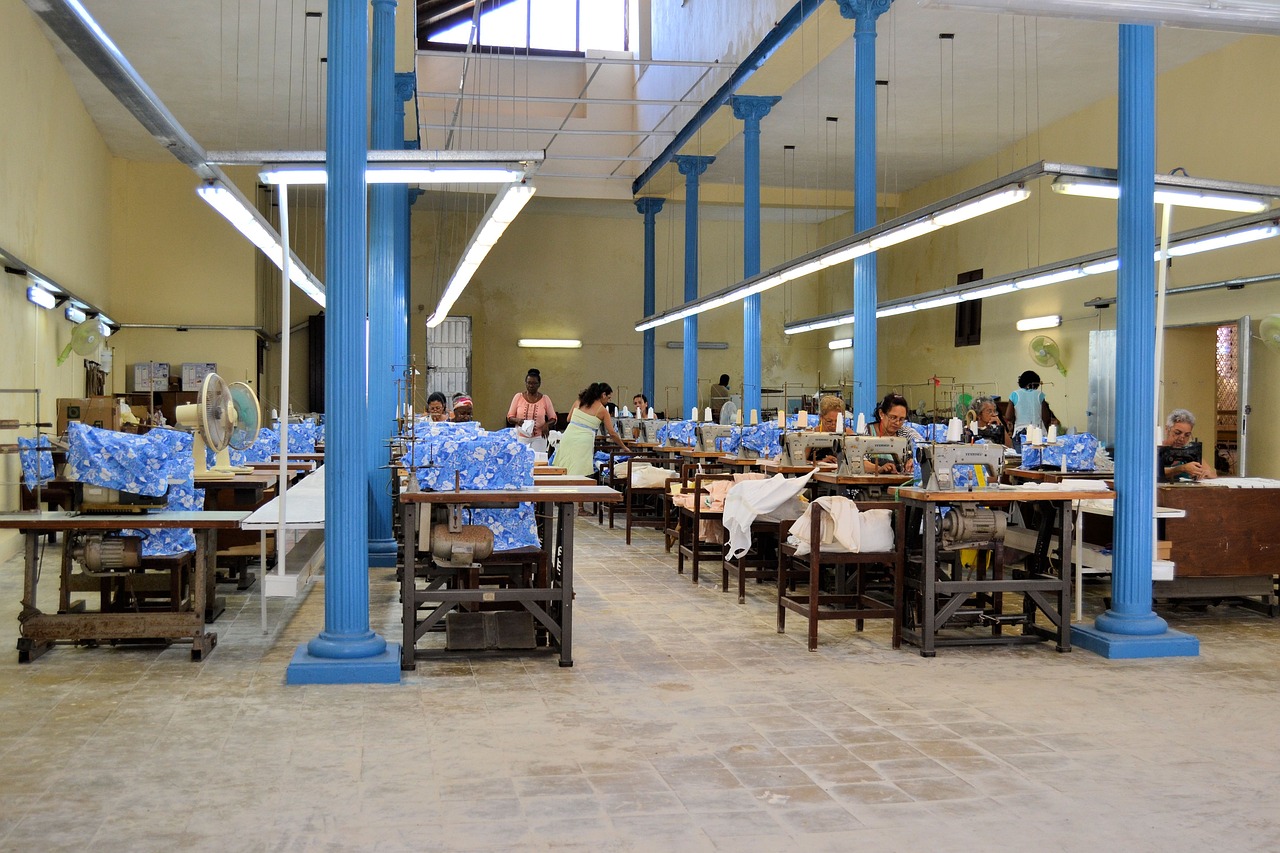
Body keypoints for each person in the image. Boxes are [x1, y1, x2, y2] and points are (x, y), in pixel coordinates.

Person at [551, 381, 629, 476]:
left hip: (568, 437)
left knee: (564, 468)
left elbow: (568, 419)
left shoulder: (579, 402)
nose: (608, 401)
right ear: (603, 395)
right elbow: (612, 433)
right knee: (578, 471)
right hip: (583, 442)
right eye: (608, 398)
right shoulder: (603, 411)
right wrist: (624, 447)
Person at [863, 392, 919, 474]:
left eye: (901, 419)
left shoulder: (906, 433)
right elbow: (858, 462)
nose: (897, 423)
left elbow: (922, 447)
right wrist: (879, 469)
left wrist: (914, 460)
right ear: (881, 414)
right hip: (869, 484)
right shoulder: (865, 432)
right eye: (893, 417)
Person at [1161, 409, 1216, 481]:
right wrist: (1182, 468)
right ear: (1167, 429)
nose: (1182, 439)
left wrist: (1207, 473)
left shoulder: (1189, 453)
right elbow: (1154, 473)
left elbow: (1212, 474)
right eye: (1177, 433)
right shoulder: (1157, 450)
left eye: (1187, 435)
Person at [1008, 370, 1060, 436]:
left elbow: (1008, 416)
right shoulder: (1039, 394)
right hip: (1038, 431)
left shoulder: (1014, 394)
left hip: (1020, 431)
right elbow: (1045, 418)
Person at [506, 368, 555, 437]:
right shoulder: (518, 397)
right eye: (529, 383)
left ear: (539, 384)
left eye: (534, 383)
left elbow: (553, 418)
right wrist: (517, 420)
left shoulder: (545, 399)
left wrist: (547, 425)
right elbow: (510, 417)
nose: (531, 386)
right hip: (520, 437)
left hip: (539, 437)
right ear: (525, 383)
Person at [809, 394, 851, 462]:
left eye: (837, 421)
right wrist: (821, 462)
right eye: (829, 421)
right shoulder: (811, 435)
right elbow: (801, 462)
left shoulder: (848, 434)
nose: (833, 425)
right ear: (821, 417)